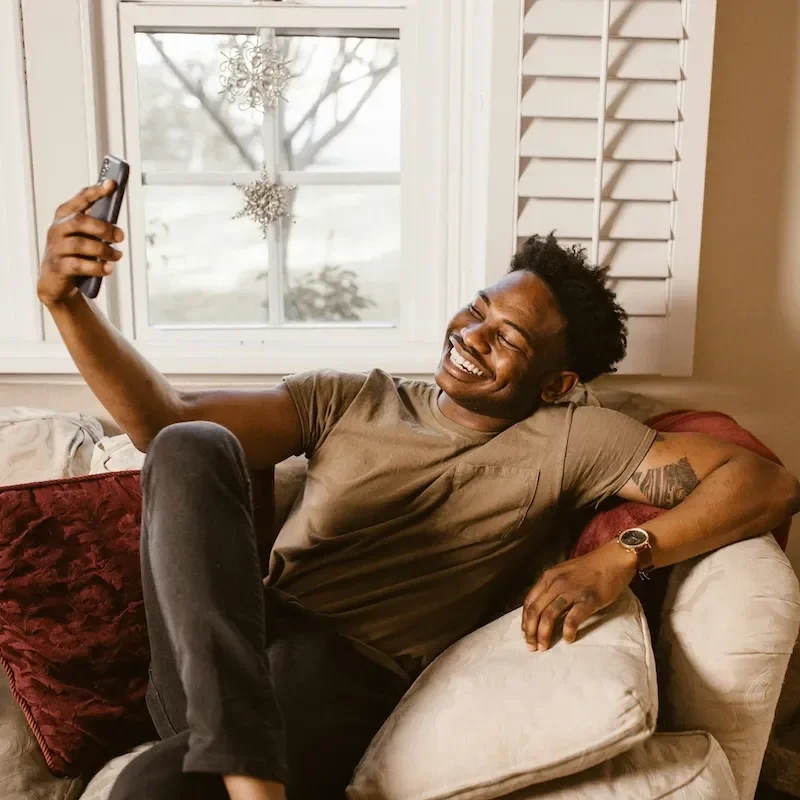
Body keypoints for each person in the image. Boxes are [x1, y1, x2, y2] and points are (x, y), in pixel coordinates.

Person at [38, 181, 800, 800]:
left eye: (508, 338)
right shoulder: (351, 400)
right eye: (478, 309)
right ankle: (249, 773)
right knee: (191, 443)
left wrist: (627, 554)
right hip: (220, 651)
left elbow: (764, 482)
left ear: (556, 383)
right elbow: (160, 420)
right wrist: (68, 304)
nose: (471, 336)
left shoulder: (574, 438)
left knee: (148, 786)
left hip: (343, 676)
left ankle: (233, 768)